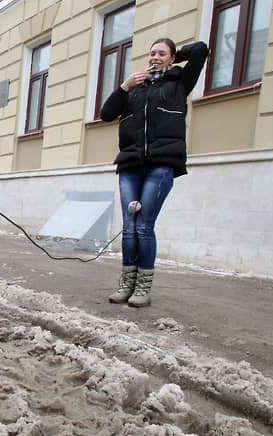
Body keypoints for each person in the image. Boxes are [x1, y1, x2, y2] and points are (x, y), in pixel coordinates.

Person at [100, 38, 208, 308]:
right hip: (130, 165)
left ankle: (143, 288)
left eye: (161, 53)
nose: (155, 58)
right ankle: (126, 284)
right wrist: (126, 86)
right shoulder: (135, 89)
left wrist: (174, 56)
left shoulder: (179, 82)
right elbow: (106, 114)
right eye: (152, 54)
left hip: (161, 164)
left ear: (171, 57)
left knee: (144, 226)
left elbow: (201, 50)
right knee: (130, 227)